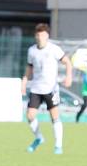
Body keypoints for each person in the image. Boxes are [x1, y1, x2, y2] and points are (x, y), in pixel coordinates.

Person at [22, 23, 72, 155]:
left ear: (47, 36)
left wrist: (68, 76)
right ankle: (39, 138)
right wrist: (24, 82)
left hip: (51, 89)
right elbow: (29, 68)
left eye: (43, 35)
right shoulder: (32, 50)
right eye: (38, 35)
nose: (40, 37)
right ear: (35, 36)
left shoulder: (54, 49)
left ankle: (58, 146)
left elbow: (67, 62)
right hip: (36, 88)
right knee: (30, 115)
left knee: (54, 116)